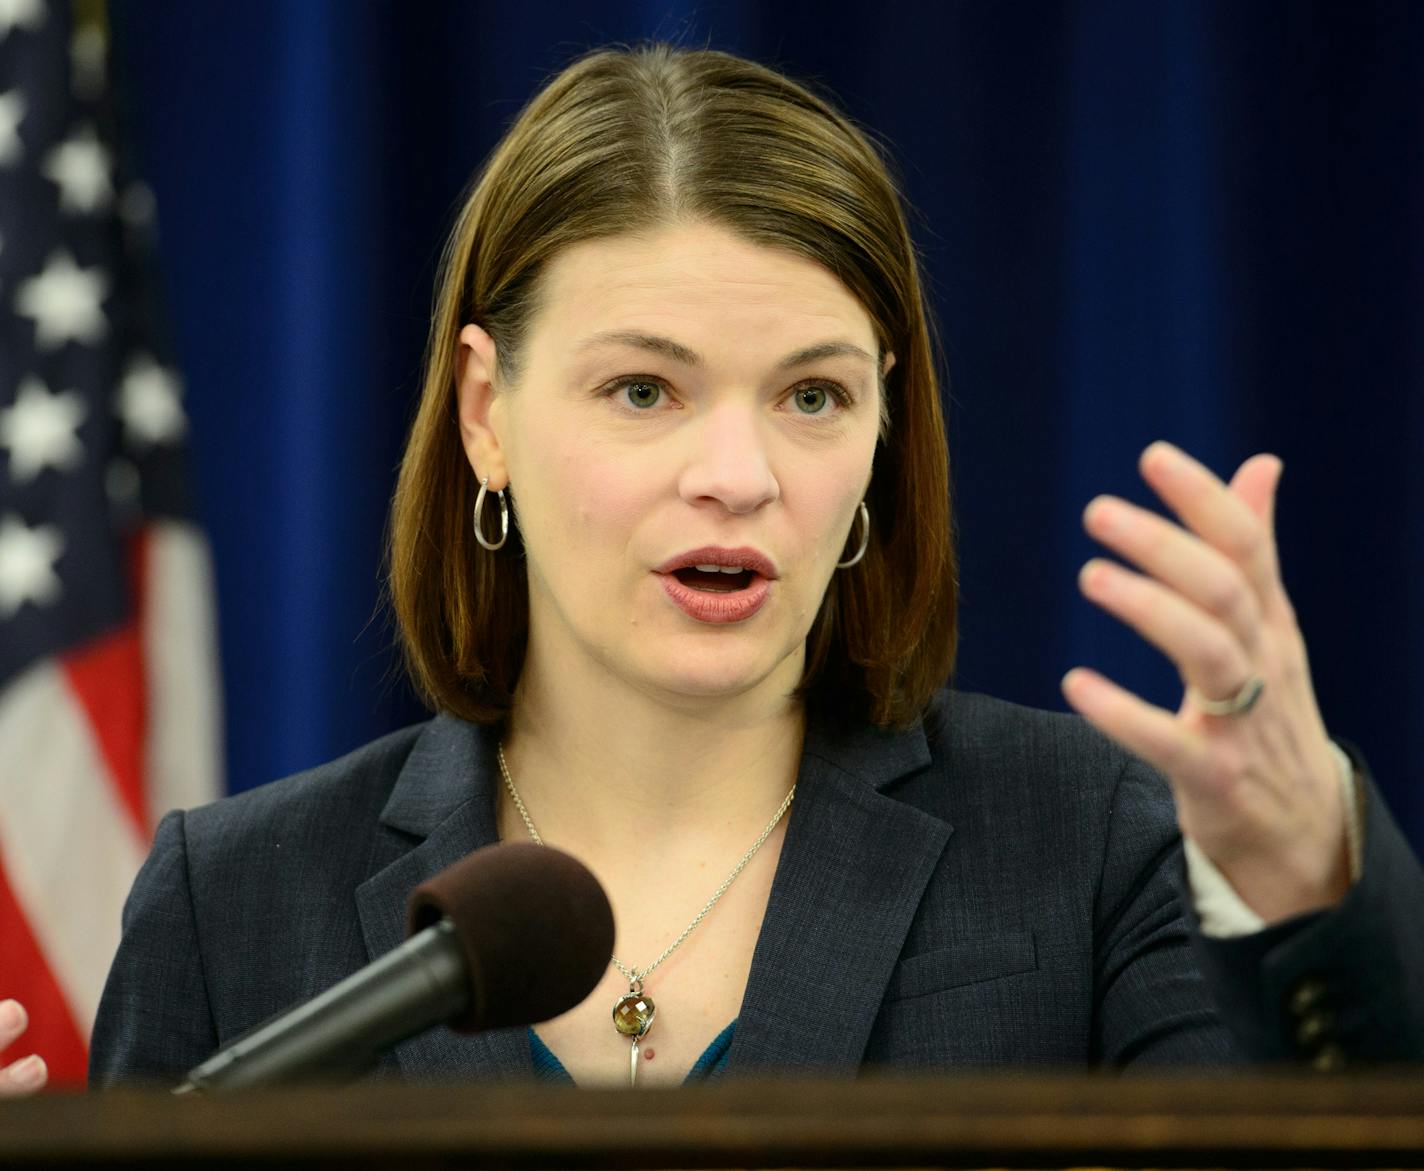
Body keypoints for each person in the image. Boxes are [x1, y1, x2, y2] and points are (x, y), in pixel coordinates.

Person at [52, 42, 1418, 1091]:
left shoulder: (1085, 845)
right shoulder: (234, 904)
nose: (740, 473)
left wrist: (1304, 874)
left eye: (812, 397)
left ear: (884, 424)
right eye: (645, 390)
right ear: (487, 414)